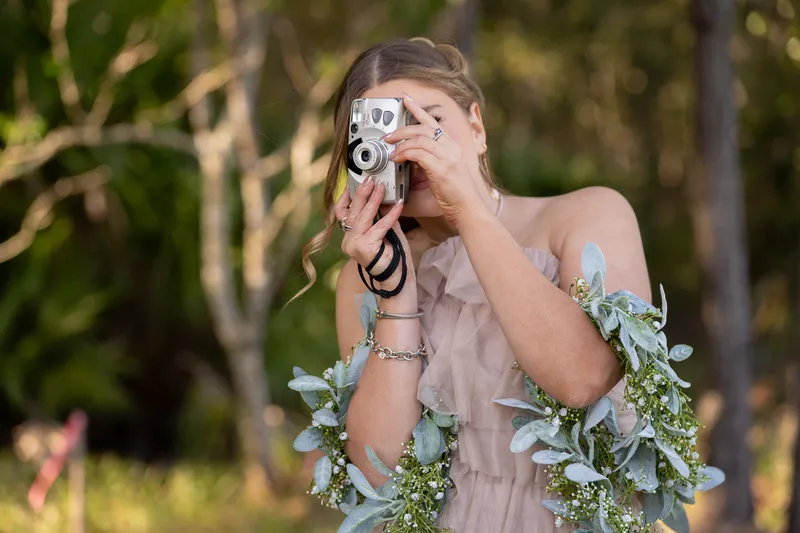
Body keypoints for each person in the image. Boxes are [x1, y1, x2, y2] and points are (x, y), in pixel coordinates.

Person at [299, 38, 650, 533]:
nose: (411, 148)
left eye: (428, 122)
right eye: (388, 134)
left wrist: (468, 210)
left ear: (477, 126)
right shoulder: (368, 273)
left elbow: (581, 380)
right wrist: (397, 295)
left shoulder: (588, 214)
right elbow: (381, 472)